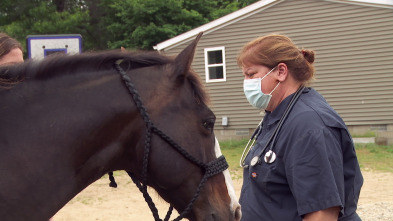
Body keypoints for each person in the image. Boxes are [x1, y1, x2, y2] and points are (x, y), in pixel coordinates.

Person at [238, 34, 363, 221]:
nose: (246, 83)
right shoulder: (279, 115)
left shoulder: (309, 125)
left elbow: (322, 214)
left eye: (251, 74)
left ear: (281, 71)